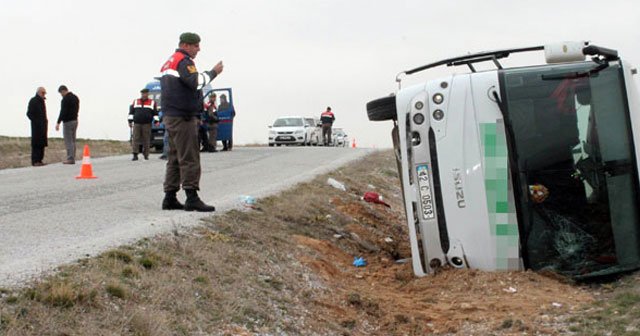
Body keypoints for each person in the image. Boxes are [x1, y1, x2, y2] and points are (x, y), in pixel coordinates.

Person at [159, 32, 223, 212]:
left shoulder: (169, 61)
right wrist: (213, 73)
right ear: (186, 45)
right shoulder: (184, 61)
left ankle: (169, 197)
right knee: (189, 157)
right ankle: (192, 197)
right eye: (196, 46)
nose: (199, 49)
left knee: (174, 158)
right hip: (183, 117)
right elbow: (195, 82)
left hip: (171, 115)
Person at [128, 88, 158, 160]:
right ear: (141, 94)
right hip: (137, 123)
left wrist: (156, 121)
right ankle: (135, 154)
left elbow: (155, 113)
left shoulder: (152, 102)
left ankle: (146, 154)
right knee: (135, 139)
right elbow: (131, 112)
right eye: (143, 94)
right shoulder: (135, 102)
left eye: (146, 93)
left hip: (147, 124)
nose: (144, 95)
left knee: (146, 139)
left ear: (148, 94)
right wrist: (130, 121)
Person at [55, 85, 80, 164]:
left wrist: (58, 122)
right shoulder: (75, 97)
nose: (61, 95)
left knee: (68, 140)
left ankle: (70, 158)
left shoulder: (65, 99)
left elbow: (63, 111)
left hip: (68, 121)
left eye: (61, 93)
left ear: (63, 91)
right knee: (73, 140)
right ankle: (73, 157)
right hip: (75, 120)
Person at [26, 87, 48, 166]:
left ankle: (40, 160)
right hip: (36, 126)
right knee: (36, 143)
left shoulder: (42, 101)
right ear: (38, 92)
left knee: (42, 143)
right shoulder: (33, 101)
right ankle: (35, 161)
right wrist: (36, 121)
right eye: (43, 93)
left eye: (45, 93)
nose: (44, 95)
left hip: (43, 125)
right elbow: (29, 113)